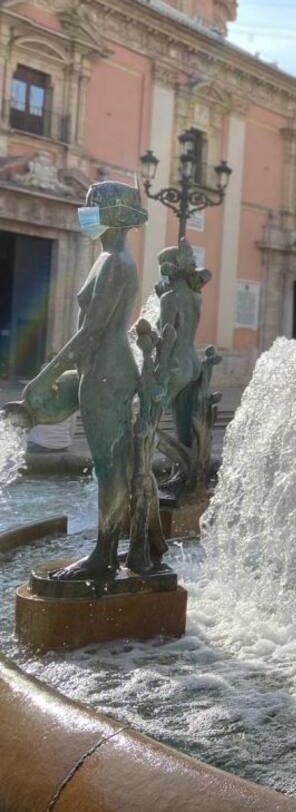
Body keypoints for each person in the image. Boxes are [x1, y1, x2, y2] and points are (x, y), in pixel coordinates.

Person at [16, 182, 146, 580]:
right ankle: (121, 548)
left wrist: (46, 374)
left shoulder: (114, 262)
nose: (85, 212)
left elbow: (91, 331)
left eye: (93, 206)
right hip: (99, 370)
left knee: (110, 467)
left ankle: (104, 554)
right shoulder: (107, 256)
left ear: (113, 214)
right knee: (110, 463)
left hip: (108, 371)